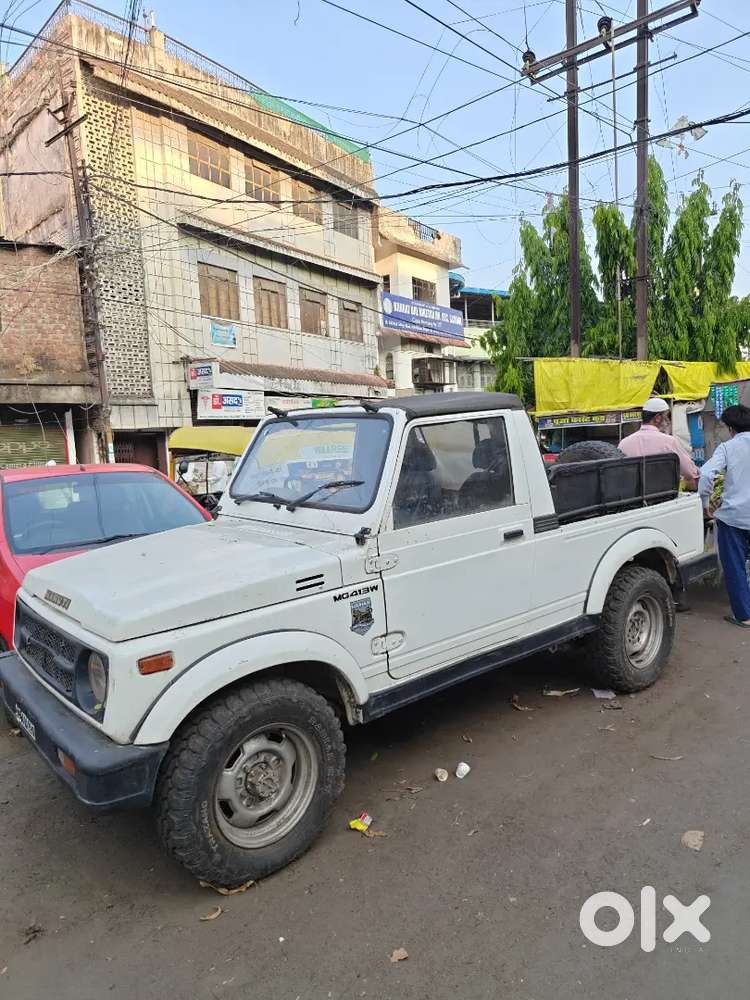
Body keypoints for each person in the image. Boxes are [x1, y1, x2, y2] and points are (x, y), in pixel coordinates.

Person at [698, 404, 750, 628]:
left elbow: (707, 475)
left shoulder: (727, 448)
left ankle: (745, 616)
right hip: (736, 516)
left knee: (735, 566)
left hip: (733, 517)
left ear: (730, 428)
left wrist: (705, 502)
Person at [618, 397, 700, 488]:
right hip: (663, 495)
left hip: (633, 495)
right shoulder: (668, 442)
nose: (668, 421)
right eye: (667, 417)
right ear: (657, 418)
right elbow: (689, 472)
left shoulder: (623, 444)